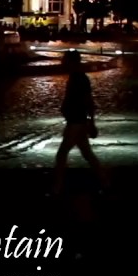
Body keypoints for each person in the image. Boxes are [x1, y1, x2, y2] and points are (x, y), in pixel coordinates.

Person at [52, 51, 108, 195]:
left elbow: (88, 100)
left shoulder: (79, 78)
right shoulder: (77, 77)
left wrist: (91, 122)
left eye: (64, 60)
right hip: (76, 120)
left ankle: (57, 187)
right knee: (87, 153)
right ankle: (105, 183)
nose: (62, 62)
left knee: (62, 153)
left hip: (77, 121)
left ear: (72, 62)